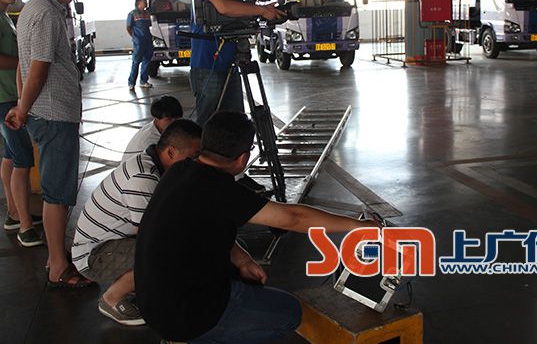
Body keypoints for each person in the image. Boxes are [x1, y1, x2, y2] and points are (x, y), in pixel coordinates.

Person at [135, 111, 380, 343]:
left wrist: (242, 260)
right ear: (242, 158)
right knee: (290, 312)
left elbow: (201, 229)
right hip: (186, 317)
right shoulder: (221, 191)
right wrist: (357, 225)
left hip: (152, 304)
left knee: (241, 266)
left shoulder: (179, 169)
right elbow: (294, 217)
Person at [5, 0, 92, 288]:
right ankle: (58, 266)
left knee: (57, 189)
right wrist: (23, 109)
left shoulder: (32, 9)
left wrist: (22, 105)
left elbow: (22, 68)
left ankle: (58, 257)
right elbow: (38, 69)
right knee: (58, 194)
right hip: (54, 115)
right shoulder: (45, 13)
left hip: (48, 112)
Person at [72, 119, 202, 326]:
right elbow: (149, 235)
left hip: (111, 244)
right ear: (170, 152)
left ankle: (136, 284)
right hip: (93, 256)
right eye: (193, 157)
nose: (197, 163)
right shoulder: (143, 177)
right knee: (164, 253)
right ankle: (112, 298)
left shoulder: (154, 165)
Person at [189, 0, 285, 126]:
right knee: (207, 121)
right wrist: (262, 10)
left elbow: (239, 12)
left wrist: (264, 9)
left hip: (232, 63)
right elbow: (224, 7)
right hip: (208, 65)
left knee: (235, 120)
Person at [0, 0, 41, 247]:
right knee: (23, 159)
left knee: (10, 156)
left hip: (8, 95)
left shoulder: (5, 16)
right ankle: (25, 227)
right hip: (3, 99)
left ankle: (15, 213)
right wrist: (26, 64)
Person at [122, 95, 183, 161]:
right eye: (169, 119)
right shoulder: (150, 140)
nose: (174, 123)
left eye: (177, 118)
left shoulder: (157, 128)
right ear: (157, 118)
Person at [126, 0, 153, 91]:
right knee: (136, 61)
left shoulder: (147, 14)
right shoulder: (132, 14)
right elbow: (128, 28)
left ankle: (143, 81)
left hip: (148, 40)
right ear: (138, 2)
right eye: (144, 1)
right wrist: (135, 37)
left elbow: (149, 26)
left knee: (147, 60)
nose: (146, 2)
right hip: (138, 41)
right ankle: (131, 82)